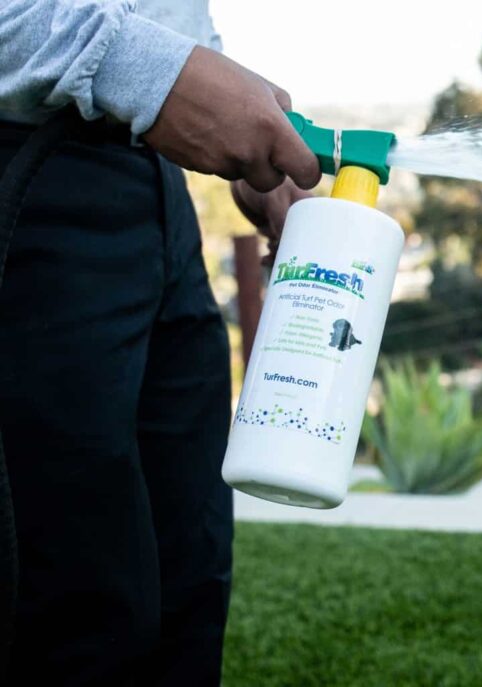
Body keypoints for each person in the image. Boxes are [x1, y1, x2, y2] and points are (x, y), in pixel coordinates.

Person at [0, 1, 319, 684]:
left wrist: (252, 162)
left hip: (156, 195)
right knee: (71, 607)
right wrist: (145, 70)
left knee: (190, 584)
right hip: (23, 182)